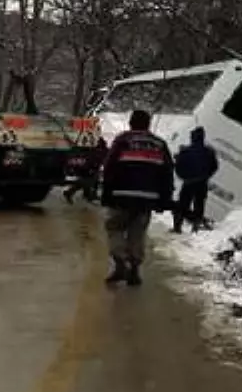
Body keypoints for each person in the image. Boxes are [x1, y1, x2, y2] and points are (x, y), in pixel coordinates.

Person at [99, 109, 175, 286]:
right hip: (146, 199)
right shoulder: (160, 144)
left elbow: (109, 167)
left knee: (114, 227)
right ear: (148, 124)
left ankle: (120, 262)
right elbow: (167, 173)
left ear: (131, 123)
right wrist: (164, 199)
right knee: (137, 232)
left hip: (121, 195)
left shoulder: (123, 140)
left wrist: (106, 193)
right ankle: (134, 270)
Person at [172, 126, 219, 233]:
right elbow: (214, 166)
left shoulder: (185, 151)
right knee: (199, 205)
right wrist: (206, 176)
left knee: (182, 205)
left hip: (188, 182)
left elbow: (178, 166)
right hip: (202, 183)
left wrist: (183, 176)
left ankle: (177, 227)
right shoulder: (209, 152)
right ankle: (196, 228)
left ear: (192, 138)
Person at [64, 136, 109, 204]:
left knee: (91, 179)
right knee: (87, 181)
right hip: (88, 167)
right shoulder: (99, 150)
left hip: (89, 166)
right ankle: (70, 192)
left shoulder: (96, 149)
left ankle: (88, 195)